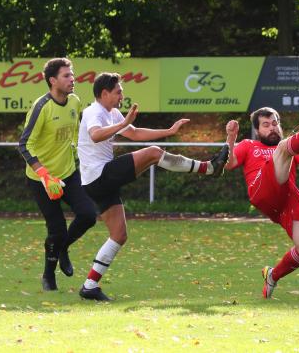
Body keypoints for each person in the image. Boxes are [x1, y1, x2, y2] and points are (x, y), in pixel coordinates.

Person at [77, 72, 230, 301]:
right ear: (104, 93)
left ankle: (89, 285)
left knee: (119, 235)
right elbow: (96, 135)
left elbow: (135, 133)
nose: (122, 96)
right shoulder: (93, 112)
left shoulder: (113, 113)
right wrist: (124, 123)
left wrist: (168, 131)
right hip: (98, 176)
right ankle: (208, 168)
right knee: (153, 153)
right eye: (119, 92)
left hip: (97, 182)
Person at [224, 102, 299, 298]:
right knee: (283, 148)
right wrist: (231, 137)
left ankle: (272, 276)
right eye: (266, 124)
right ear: (257, 130)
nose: (272, 127)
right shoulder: (249, 145)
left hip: (286, 197)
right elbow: (229, 164)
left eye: (275, 123)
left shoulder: (290, 147)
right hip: (262, 191)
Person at [18, 58, 98, 291]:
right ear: (53, 81)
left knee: (88, 215)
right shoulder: (41, 107)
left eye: (72, 74)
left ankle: (63, 247)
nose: (72, 79)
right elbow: (24, 144)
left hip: (69, 173)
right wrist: (44, 174)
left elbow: (75, 138)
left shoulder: (74, 101)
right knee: (57, 229)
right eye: (66, 75)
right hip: (41, 180)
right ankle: (48, 276)